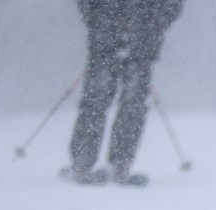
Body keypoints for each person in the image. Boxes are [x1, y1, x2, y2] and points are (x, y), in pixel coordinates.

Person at [63, 0, 184, 187]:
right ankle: (84, 164)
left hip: (138, 42)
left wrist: (154, 25)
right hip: (110, 39)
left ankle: (118, 165)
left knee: (129, 104)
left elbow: (172, 6)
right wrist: (99, 21)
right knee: (100, 100)